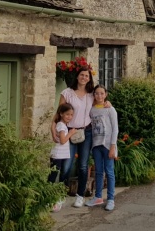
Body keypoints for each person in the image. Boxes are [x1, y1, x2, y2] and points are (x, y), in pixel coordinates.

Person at [58, 66, 110, 208]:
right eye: (82, 75)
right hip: (70, 132)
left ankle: (80, 196)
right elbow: (59, 113)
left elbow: (100, 102)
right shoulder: (67, 93)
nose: (84, 78)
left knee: (82, 165)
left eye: (87, 76)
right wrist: (55, 129)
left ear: (89, 78)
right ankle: (59, 195)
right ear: (77, 76)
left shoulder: (90, 94)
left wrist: (107, 104)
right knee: (66, 166)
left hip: (86, 132)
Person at [87, 84, 118, 211]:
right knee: (99, 172)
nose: (99, 96)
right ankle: (98, 197)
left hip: (107, 145)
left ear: (105, 95)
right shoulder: (92, 110)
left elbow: (115, 129)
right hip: (96, 145)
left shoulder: (110, 109)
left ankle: (110, 199)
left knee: (109, 172)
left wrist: (112, 146)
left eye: (101, 93)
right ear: (94, 95)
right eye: (96, 93)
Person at [48, 103, 79, 212]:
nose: (69, 117)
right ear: (61, 114)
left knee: (55, 174)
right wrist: (70, 133)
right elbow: (62, 140)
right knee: (53, 176)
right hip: (57, 155)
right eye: (67, 114)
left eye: (71, 115)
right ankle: (48, 199)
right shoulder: (61, 125)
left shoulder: (62, 124)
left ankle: (53, 197)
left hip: (60, 155)